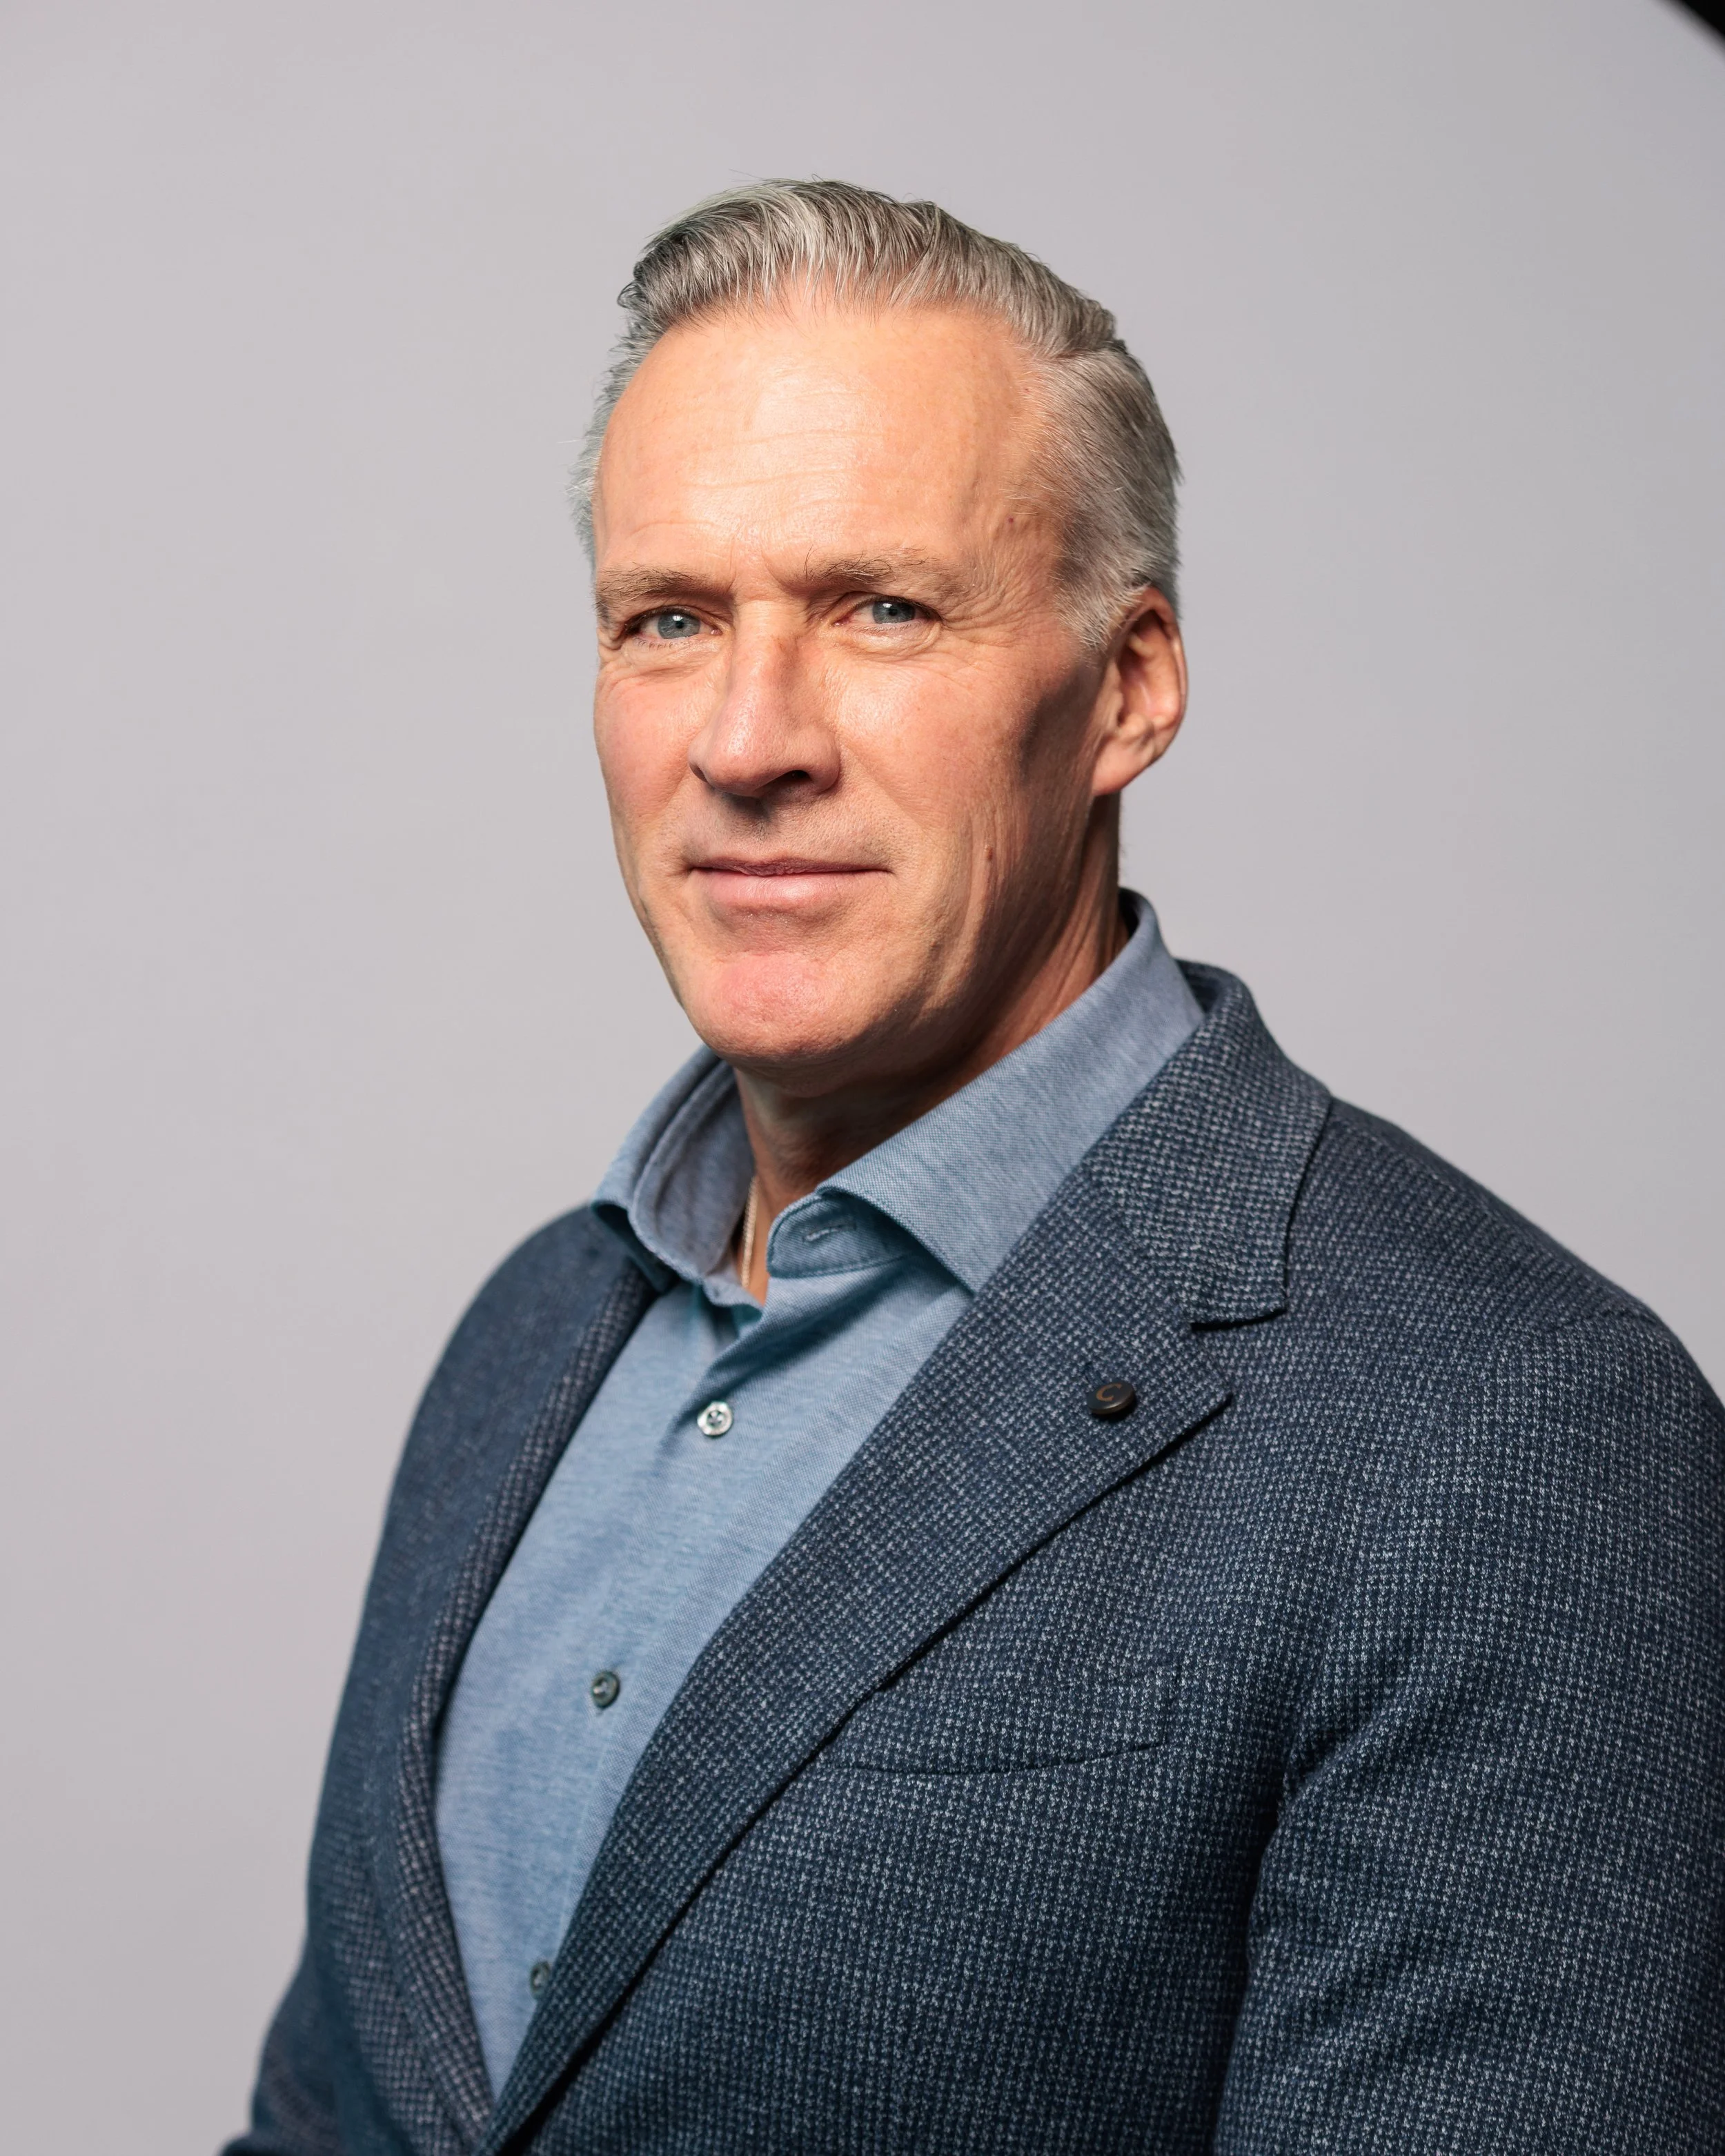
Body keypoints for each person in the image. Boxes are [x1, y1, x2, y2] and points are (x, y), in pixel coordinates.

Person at [228, 181, 1723, 2156]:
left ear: (1126, 688)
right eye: (667, 618)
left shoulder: (1510, 1434)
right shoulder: (527, 1337)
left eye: (880, 609)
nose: (747, 738)